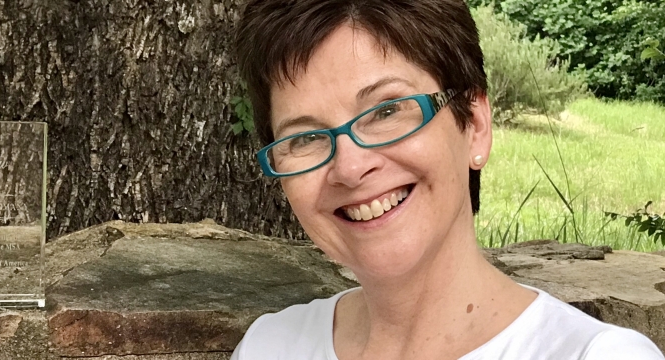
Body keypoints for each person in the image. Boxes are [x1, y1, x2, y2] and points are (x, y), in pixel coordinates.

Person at [230, 0, 665, 359]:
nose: (349, 168)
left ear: (474, 124)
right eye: (305, 137)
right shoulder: (270, 346)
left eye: (386, 111)